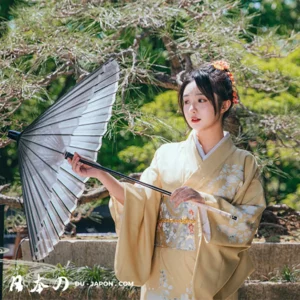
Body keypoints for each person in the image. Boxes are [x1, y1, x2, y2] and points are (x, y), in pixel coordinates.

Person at [68, 60, 266, 300]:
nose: (192, 109)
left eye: (201, 100)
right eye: (186, 101)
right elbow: (137, 203)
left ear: (224, 104)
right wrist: (100, 174)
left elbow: (247, 223)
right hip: (163, 272)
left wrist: (204, 200)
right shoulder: (166, 155)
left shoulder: (243, 163)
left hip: (211, 273)